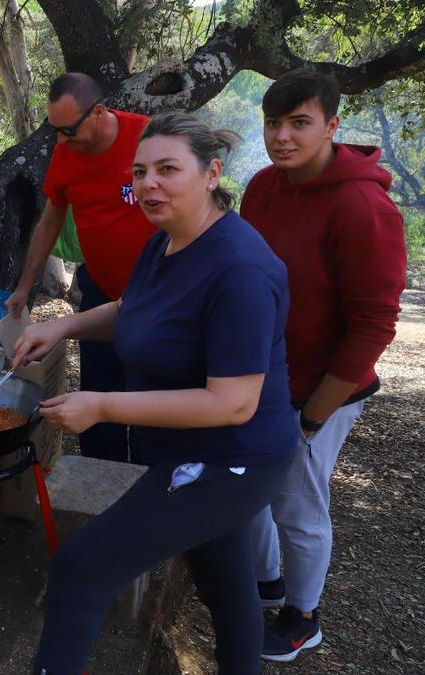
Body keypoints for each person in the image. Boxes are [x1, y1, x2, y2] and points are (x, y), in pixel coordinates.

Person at [16, 113, 298, 675]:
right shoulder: (166, 242)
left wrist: (100, 405)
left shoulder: (239, 269)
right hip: (187, 448)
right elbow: (133, 311)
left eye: (168, 169)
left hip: (232, 458)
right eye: (141, 172)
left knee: (80, 567)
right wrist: (63, 327)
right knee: (225, 580)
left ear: (212, 173)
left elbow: (232, 403)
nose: (149, 184)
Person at [241, 70, 407, 663]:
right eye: (273, 123)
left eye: (300, 123)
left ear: (333, 126)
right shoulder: (262, 186)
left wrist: (311, 418)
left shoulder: (364, 207)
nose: (282, 137)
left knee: (297, 499)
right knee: (253, 488)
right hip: (261, 378)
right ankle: (264, 583)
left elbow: (373, 326)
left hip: (321, 388)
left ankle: (302, 616)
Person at [4, 73, 156, 464]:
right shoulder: (68, 152)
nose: (60, 141)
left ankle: (144, 487)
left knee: (148, 406)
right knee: (99, 399)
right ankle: (98, 488)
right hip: (101, 293)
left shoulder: (148, 140)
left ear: (100, 113)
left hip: (158, 302)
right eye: (55, 131)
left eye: (67, 130)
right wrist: (25, 285)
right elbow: (51, 217)